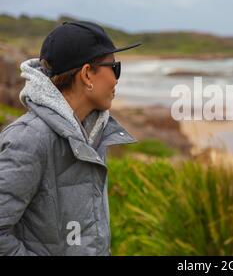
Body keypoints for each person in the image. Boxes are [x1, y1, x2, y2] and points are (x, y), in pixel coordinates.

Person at [0, 21, 141, 255]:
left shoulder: (93, 134)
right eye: (114, 68)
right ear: (87, 74)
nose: (116, 80)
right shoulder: (29, 140)